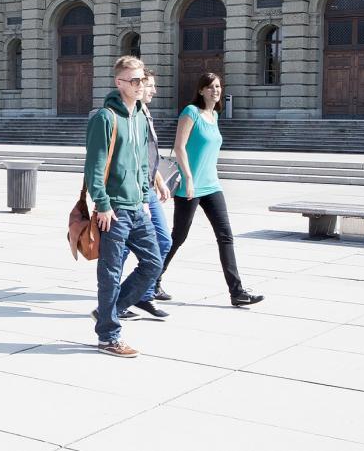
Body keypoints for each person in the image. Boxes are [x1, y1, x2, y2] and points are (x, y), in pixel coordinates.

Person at [159, 73, 264, 307]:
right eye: (210, 87)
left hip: (212, 185)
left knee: (225, 236)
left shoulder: (214, 115)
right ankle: (152, 279)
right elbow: (179, 147)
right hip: (190, 186)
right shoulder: (191, 112)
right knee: (178, 236)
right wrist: (187, 177)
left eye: (218, 87)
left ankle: (237, 293)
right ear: (201, 90)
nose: (215, 91)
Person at [85, 55, 162, 358]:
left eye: (142, 79)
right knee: (110, 273)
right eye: (134, 80)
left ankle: (110, 312)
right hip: (113, 209)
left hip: (137, 206)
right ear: (119, 83)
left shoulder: (141, 115)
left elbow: (143, 162)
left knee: (153, 263)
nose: (141, 85)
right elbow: (94, 166)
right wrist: (102, 204)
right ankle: (109, 336)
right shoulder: (105, 117)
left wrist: (144, 197)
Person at [116, 70, 174, 319]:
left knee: (163, 242)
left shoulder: (144, 114)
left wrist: (159, 179)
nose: (152, 90)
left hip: (148, 187)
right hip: (135, 192)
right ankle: (116, 299)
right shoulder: (129, 116)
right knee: (123, 249)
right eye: (149, 85)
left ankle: (142, 293)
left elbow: (147, 156)